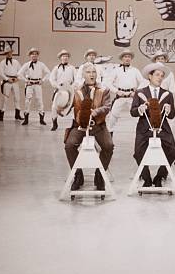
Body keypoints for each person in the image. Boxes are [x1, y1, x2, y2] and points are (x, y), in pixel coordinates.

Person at [64, 63, 114, 191]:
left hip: (98, 125)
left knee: (108, 146)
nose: (91, 74)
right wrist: (60, 105)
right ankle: (78, 175)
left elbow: (107, 107)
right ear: (83, 74)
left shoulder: (104, 90)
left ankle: (99, 174)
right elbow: (67, 107)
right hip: (80, 125)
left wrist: (95, 112)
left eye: (93, 72)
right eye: (88, 72)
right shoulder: (76, 90)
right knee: (69, 145)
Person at [130, 62, 175, 187]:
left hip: (163, 128)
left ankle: (159, 176)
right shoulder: (140, 92)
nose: (160, 77)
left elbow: (172, 115)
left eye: (162, 75)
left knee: (173, 151)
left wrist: (169, 109)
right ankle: (146, 178)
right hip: (144, 128)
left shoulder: (167, 94)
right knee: (138, 152)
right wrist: (139, 109)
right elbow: (133, 112)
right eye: (157, 75)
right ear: (149, 76)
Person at [105, 49, 145, 136]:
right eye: (125, 57)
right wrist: (116, 91)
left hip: (132, 96)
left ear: (131, 59)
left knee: (137, 116)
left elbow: (143, 82)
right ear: (122, 58)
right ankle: (109, 136)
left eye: (129, 57)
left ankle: (141, 135)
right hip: (121, 96)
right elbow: (107, 82)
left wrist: (136, 92)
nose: (127, 59)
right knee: (113, 116)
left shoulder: (135, 70)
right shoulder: (116, 70)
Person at [17, 47, 50, 126]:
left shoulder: (41, 64)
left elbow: (49, 73)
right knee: (27, 101)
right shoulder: (26, 64)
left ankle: (41, 119)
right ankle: (26, 119)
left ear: (37, 56)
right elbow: (19, 74)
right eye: (32, 54)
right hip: (29, 84)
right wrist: (26, 80)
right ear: (30, 56)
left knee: (39, 101)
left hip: (38, 84)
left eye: (35, 54)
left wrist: (42, 80)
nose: (34, 56)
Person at [49, 49, 76, 131]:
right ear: (60, 58)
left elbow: (77, 79)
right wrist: (56, 86)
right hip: (59, 89)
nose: (65, 58)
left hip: (70, 90)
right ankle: (54, 123)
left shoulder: (72, 68)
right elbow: (51, 79)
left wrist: (72, 86)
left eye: (67, 56)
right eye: (63, 56)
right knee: (54, 107)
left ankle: (73, 124)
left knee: (73, 107)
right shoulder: (56, 68)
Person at [0, 46, 23, 121]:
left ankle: (17, 115)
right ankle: (1, 114)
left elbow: (20, 71)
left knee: (17, 98)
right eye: (7, 53)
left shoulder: (16, 62)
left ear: (12, 53)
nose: (9, 54)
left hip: (15, 81)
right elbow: (0, 73)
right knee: (5, 98)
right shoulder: (2, 62)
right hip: (7, 82)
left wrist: (18, 78)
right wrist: (7, 79)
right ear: (6, 53)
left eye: (10, 52)